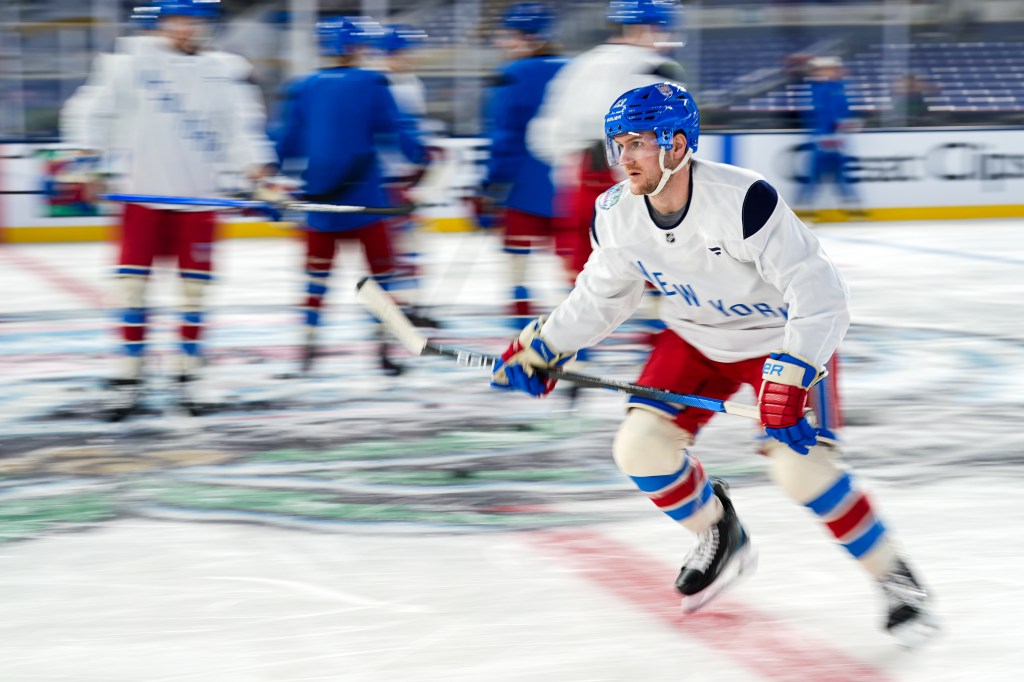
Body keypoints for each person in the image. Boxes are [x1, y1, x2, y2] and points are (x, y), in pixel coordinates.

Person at [491, 82, 937, 647]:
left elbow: (821, 294)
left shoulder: (744, 200)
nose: (623, 158)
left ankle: (896, 578)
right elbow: (602, 297)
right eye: (617, 145)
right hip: (695, 339)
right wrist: (544, 347)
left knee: (801, 470)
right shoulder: (617, 213)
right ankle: (719, 533)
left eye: (638, 144)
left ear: (677, 146)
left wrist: (793, 371)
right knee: (639, 448)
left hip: (779, 342)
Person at [60, 0, 277, 420]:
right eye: (178, 20)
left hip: (198, 199)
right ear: (160, 23)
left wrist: (259, 174)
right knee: (131, 289)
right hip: (141, 197)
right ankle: (129, 372)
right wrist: (85, 159)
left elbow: (241, 129)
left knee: (194, 291)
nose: (186, 28)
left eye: (194, 20)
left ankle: (189, 370)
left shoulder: (224, 70)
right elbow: (91, 111)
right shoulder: (128, 62)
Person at [274, 17, 426, 376]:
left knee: (314, 280)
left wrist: (268, 176)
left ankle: (306, 350)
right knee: (380, 277)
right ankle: (383, 351)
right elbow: (398, 133)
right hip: (366, 201)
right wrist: (423, 159)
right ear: (357, 48)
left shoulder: (303, 87)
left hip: (319, 204)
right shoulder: (373, 83)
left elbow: (286, 143)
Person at [526, 0, 686, 280]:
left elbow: (544, 130)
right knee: (655, 244)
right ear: (649, 29)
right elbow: (667, 127)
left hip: (577, 173)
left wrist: (569, 157)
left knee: (584, 253)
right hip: (632, 173)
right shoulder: (656, 67)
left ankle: (586, 315)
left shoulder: (582, 64)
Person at [478, 2, 567, 326]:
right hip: (568, 185)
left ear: (524, 36)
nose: (502, 42)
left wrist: (490, 187)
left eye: (507, 35)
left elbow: (504, 137)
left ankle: (520, 324)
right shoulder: (572, 68)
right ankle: (579, 335)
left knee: (517, 261)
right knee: (572, 263)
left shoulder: (511, 75)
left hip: (522, 186)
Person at [796, 56, 863, 220]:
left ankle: (851, 207)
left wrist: (847, 124)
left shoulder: (838, 87)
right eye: (829, 69)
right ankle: (805, 209)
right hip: (823, 138)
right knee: (816, 174)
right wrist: (828, 132)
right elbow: (817, 114)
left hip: (836, 138)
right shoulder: (817, 89)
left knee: (838, 173)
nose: (835, 71)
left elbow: (844, 112)